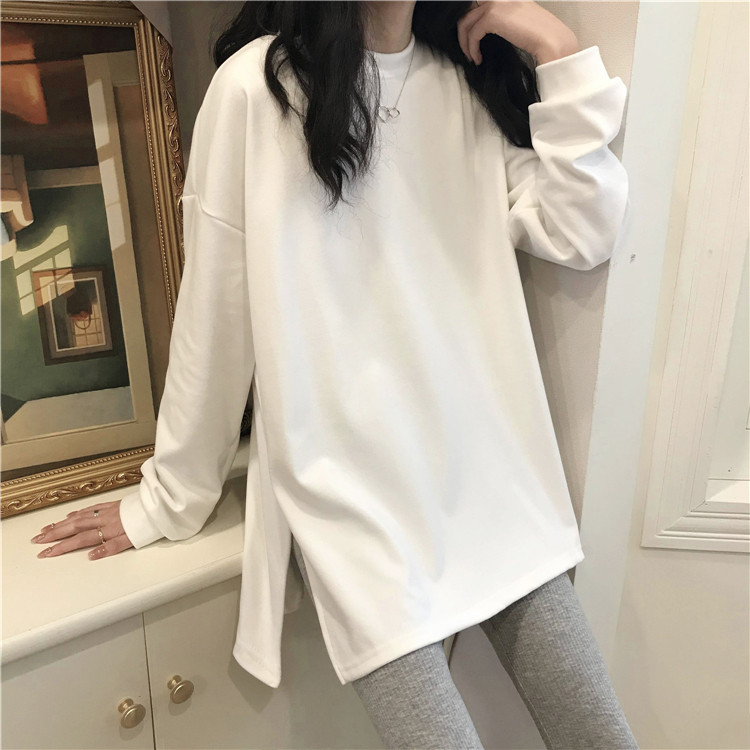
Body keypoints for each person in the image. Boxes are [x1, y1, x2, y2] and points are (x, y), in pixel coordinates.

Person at [31, 1, 637, 747]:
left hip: (495, 484)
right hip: (355, 511)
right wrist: (168, 501)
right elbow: (215, 315)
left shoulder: (462, 85)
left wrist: (558, 47)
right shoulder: (255, 88)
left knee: (604, 736)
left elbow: (583, 230)